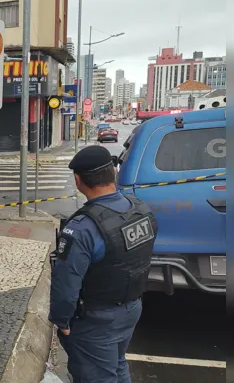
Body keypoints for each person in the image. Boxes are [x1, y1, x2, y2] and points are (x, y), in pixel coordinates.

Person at [49, 145, 158, 383]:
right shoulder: (140, 209)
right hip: (131, 308)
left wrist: (61, 320)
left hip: (96, 319)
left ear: (78, 180)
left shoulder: (82, 229)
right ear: (114, 173)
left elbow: (66, 283)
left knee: (96, 375)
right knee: (117, 366)